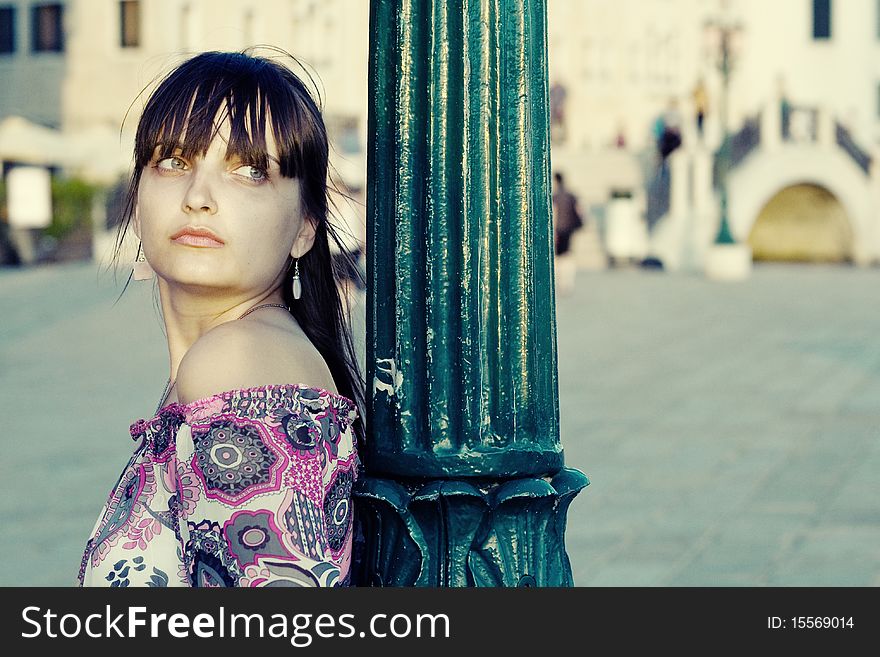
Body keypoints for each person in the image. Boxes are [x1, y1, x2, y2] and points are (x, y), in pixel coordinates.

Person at [77, 50, 364, 587]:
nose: (198, 197)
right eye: (174, 162)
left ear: (306, 226)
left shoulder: (238, 360)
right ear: (138, 197)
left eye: (250, 171)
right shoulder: (242, 357)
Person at [552, 172, 584, 296]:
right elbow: (580, 210)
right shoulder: (571, 195)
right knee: (568, 254)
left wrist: (553, 230)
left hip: (558, 229)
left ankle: (560, 281)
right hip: (569, 228)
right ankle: (567, 281)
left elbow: (554, 213)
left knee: (558, 256)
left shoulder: (555, 196)